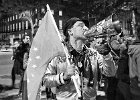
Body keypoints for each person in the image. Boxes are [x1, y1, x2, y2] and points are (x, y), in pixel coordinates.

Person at [42, 17, 104, 100]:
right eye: (81, 26)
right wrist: (64, 76)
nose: (86, 28)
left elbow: (110, 73)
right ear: (70, 31)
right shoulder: (58, 55)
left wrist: (107, 56)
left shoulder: (94, 54)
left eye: (86, 26)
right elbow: (46, 80)